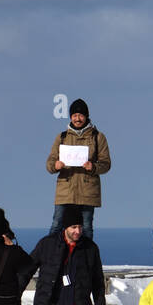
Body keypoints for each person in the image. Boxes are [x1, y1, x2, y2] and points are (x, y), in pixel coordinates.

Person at [46, 98, 111, 240]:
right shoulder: (62, 137)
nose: (77, 118)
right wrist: (55, 166)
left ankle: (86, 260)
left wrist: (93, 167)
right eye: (74, 115)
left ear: (87, 116)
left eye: (81, 115)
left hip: (87, 191)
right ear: (70, 117)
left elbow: (106, 164)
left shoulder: (98, 137)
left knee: (86, 227)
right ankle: (49, 258)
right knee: (57, 225)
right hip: (65, 191)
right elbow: (49, 163)